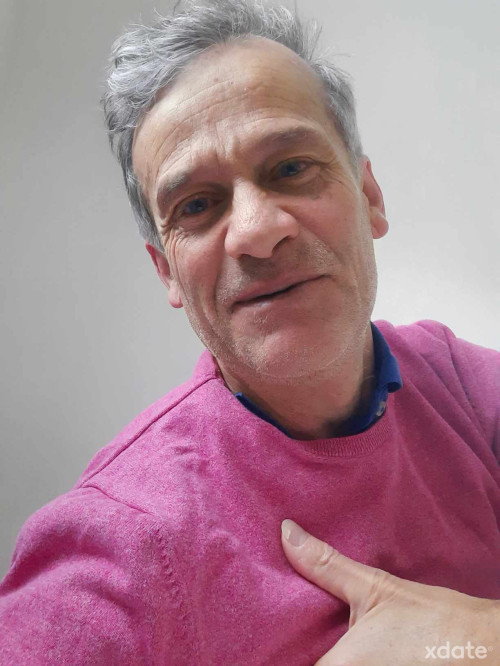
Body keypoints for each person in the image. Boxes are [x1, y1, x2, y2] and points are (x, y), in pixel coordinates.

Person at [1, 0, 499, 663]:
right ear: (167, 271)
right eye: (197, 205)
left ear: (369, 197)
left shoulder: (463, 387)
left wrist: (475, 639)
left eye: (290, 168)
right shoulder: (117, 544)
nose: (259, 232)